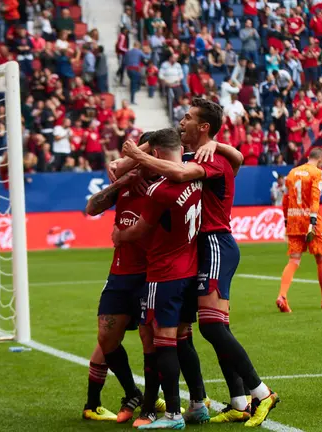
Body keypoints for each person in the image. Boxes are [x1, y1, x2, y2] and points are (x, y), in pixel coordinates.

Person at [122, 98, 278, 427]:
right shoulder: (199, 153)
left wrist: (137, 155)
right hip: (195, 250)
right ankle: (237, 401)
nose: (182, 121)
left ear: (203, 127)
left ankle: (261, 393)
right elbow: (135, 165)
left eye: (188, 117)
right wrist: (140, 155)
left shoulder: (213, 157)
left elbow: (183, 170)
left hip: (215, 242)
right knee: (206, 328)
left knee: (211, 325)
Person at [112, 128, 203, 430]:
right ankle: (199, 404)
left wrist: (119, 235)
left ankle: (174, 415)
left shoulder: (159, 191)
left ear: (156, 155)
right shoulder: (196, 176)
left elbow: (139, 231)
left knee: (162, 343)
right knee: (184, 339)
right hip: (190, 271)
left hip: (164, 275)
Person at [81, 133, 171, 423]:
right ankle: (132, 392)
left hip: (151, 273)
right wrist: (122, 182)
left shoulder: (165, 183)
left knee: (151, 340)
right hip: (120, 273)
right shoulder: (127, 182)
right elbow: (91, 208)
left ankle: (154, 403)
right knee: (106, 337)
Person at [276, 148, 322, 313]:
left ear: (308, 157)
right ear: (321, 160)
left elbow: (285, 199)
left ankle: (282, 296)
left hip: (293, 219)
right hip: (310, 222)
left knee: (294, 260)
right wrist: (312, 222)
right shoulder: (317, 173)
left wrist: (286, 221)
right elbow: (315, 198)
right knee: (321, 259)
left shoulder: (292, 173)